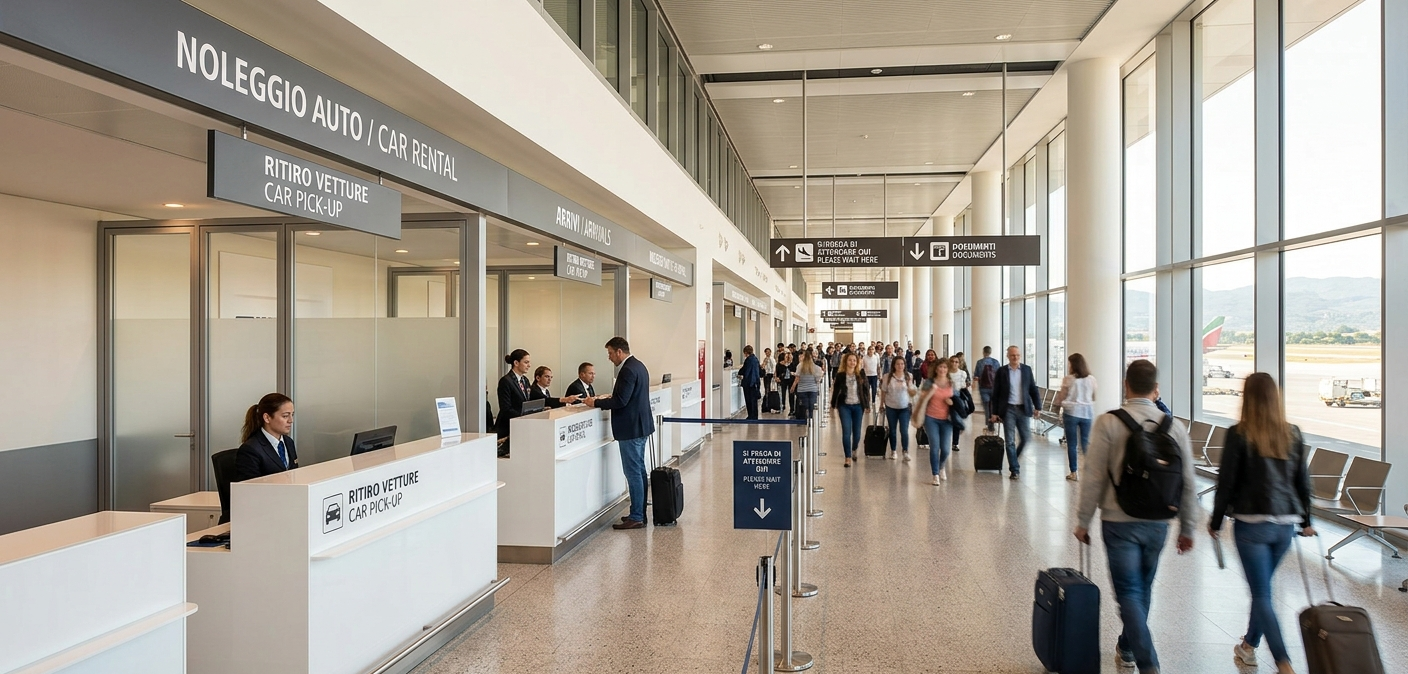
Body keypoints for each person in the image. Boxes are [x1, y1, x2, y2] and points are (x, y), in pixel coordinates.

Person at [1074, 359, 1197, 674]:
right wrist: (1187, 527)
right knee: (1143, 588)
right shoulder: (1175, 427)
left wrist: (1083, 520)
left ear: (1126, 385)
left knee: (1129, 592)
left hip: (1118, 521)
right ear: (1156, 390)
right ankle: (1127, 647)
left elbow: (1094, 477)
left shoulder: (1108, 423)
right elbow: (1187, 482)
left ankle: (1149, 664)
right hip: (1158, 523)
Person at [1209, 373, 1315, 674]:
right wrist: (1307, 521)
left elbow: (1226, 483)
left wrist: (1215, 521)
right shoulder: (1292, 433)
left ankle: (1283, 662)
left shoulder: (1238, 433)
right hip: (1284, 525)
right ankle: (1248, 647)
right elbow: (1302, 483)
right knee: (1263, 590)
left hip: (1252, 524)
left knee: (1261, 593)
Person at [585, 337, 655, 530]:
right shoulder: (639, 365)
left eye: (609, 353)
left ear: (618, 352)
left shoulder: (627, 370)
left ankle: (637, 516)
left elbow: (621, 401)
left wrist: (596, 402)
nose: (609, 358)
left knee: (633, 473)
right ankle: (639, 512)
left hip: (631, 429)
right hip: (640, 426)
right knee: (639, 471)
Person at [233, 392, 299, 482]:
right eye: (285, 416)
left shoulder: (288, 442)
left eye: (292, 415)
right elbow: (250, 489)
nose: (291, 420)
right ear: (267, 418)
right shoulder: (250, 449)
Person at [1054, 353, 1097, 481]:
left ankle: (1074, 472)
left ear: (1073, 365)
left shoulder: (1068, 379)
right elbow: (1094, 396)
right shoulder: (1091, 379)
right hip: (1087, 413)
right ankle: (1090, 471)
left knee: (1072, 444)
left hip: (1071, 412)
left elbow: (1062, 396)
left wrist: (1057, 405)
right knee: (1085, 442)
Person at [913, 358, 956, 485]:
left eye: (945, 367)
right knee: (934, 447)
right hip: (931, 418)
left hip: (947, 420)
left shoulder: (951, 383)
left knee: (946, 449)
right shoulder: (929, 382)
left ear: (948, 369)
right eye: (940, 367)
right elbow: (921, 398)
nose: (942, 369)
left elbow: (956, 400)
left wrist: (951, 402)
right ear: (936, 368)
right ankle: (935, 473)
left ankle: (941, 466)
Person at [830, 352, 870, 467]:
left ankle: (854, 449)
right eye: (849, 360)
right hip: (844, 406)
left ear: (857, 362)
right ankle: (847, 457)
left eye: (854, 360)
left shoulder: (861, 374)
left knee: (857, 433)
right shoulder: (841, 375)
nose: (852, 362)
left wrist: (867, 405)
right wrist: (833, 404)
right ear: (845, 362)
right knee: (846, 432)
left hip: (858, 406)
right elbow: (836, 390)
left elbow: (866, 390)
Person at [879, 355, 915, 462]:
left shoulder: (909, 376)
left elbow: (911, 391)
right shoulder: (887, 377)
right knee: (892, 430)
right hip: (891, 406)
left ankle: (905, 451)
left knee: (904, 430)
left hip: (904, 407)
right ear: (894, 365)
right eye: (898, 364)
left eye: (902, 364)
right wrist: (881, 404)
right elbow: (884, 391)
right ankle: (893, 450)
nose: (900, 366)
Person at [495, 350, 534, 450]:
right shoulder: (506, 381)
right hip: (508, 427)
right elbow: (505, 408)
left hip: (522, 425)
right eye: (526, 362)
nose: (529, 365)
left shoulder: (525, 380)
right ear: (516, 363)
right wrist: (523, 417)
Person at [973, 346, 1000, 432]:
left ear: (983, 352)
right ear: (990, 352)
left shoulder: (979, 362)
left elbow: (976, 376)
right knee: (993, 406)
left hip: (983, 388)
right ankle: (993, 421)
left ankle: (989, 424)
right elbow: (999, 375)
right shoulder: (996, 362)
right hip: (994, 388)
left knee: (986, 406)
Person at [948, 352, 970, 453]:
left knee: (955, 417)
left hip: (957, 398)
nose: (954, 363)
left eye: (956, 362)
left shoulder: (962, 373)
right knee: (951, 419)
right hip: (946, 397)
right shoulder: (946, 373)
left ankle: (955, 443)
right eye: (952, 361)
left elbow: (962, 386)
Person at [792, 351, 821, 421]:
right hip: (813, 389)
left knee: (805, 406)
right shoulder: (816, 368)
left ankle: (805, 418)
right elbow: (817, 380)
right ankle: (811, 419)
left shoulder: (799, 366)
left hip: (802, 389)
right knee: (812, 405)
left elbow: (797, 377)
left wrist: (793, 387)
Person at [775, 351, 795, 415]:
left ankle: (792, 409)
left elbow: (794, 371)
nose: (786, 358)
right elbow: (777, 373)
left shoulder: (792, 364)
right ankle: (782, 406)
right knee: (782, 394)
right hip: (783, 380)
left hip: (790, 380)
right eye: (785, 357)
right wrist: (777, 378)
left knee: (791, 394)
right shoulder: (779, 364)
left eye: (787, 357)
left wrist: (788, 365)